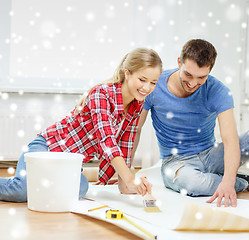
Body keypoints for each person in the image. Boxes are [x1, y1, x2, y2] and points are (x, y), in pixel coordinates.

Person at [133, 39, 249, 209]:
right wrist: (126, 169)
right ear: (179, 62)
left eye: (201, 77)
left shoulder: (219, 91)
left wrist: (227, 182)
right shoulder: (154, 85)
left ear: (210, 70)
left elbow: (230, 140)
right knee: (191, 184)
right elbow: (136, 128)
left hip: (211, 155)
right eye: (188, 74)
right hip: (176, 163)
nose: (192, 83)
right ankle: (243, 182)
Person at [0, 48, 163, 202]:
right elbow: (107, 142)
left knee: (80, 188)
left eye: (153, 83)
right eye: (142, 80)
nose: (147, 87)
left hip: (68, 165)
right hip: (47, 149)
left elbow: (125, 147)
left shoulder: (136, 107)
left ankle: (35, 182)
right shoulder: (101, 95)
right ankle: (27, 182)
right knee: (20, 190)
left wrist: (129, 185)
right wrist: (129, 178)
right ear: (127, 73)